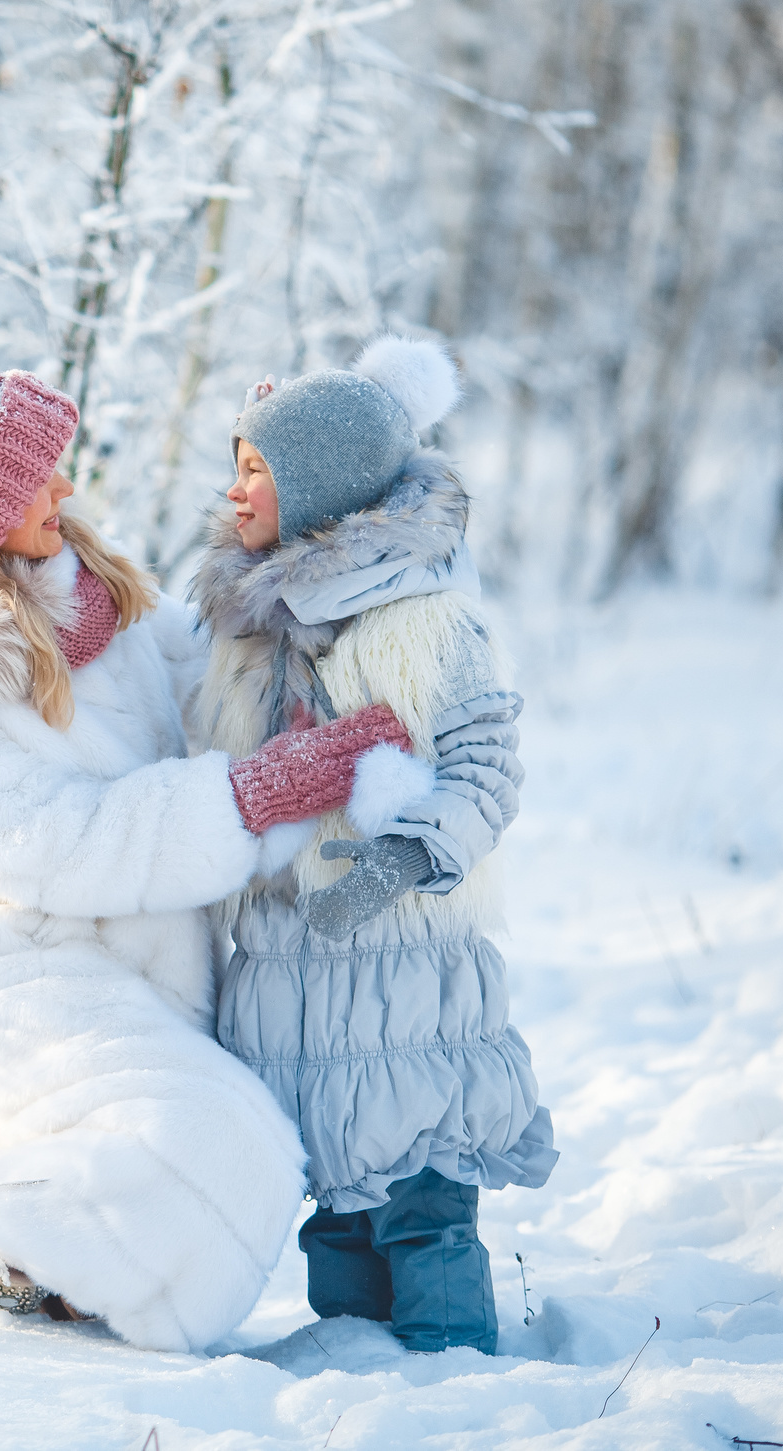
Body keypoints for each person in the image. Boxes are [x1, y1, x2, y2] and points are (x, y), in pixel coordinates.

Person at [0, 362, 433, 1351]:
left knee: (224, 1154)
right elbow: (68, 846)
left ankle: (17, 1275)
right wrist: (268, 787)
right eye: (37, 478)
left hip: (140, 965)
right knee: (214, 1150)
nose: (64, 490)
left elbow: (198, 691)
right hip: (26, 986)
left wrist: (297, 600)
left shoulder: (80, 589)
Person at [188, 333, 551, 1356]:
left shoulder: (426, 622)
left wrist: (404, 858)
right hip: (286, 994)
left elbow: (488, 767)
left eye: (255, 469)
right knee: (335, 1236)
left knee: (423, 1220)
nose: (234, 490)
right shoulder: (240, 625)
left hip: (408, 990)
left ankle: (464, 1405)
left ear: (317, 486)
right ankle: (357, 1393)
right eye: (236, 465)